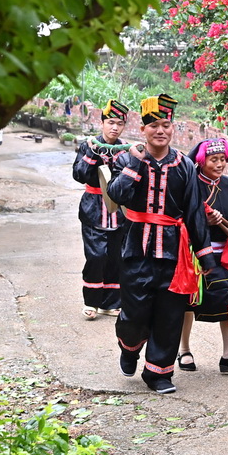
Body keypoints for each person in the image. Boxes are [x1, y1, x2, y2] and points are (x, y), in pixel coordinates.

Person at [106, 95, 218, 394]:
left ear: (173, 128)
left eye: (166, 125)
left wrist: (207, 261)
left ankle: (158, 374)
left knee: (169, 316)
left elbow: (194, 212)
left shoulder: (184, 166)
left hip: (174, 253)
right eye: (154, 125)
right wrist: (135, 162)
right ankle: (129, 348)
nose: (161, 131)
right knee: (134, 315)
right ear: (142, 130)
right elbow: (116, 195)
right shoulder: (126, 159)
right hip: (135, 250)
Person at [179, 137, 228, 375]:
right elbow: (182, 215)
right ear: (201, 161)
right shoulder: (190, 184)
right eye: (214, 160)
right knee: (189, 303)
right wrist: (203, 220)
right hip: (196, 253)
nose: (220, 164)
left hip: (226, 254)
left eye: (222, 159)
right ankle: (184, 351)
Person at [71, 99, 129, 320]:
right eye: (111, 122)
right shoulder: (89, 145)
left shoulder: (125, 150)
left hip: (118, 211)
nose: (114, 127)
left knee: (116, 256)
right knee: (96, 256)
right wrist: (93, 154)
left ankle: (111, 302)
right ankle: (91, 302)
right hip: (93, 208)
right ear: (102, 122)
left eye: (119, 124)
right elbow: (79, 175)